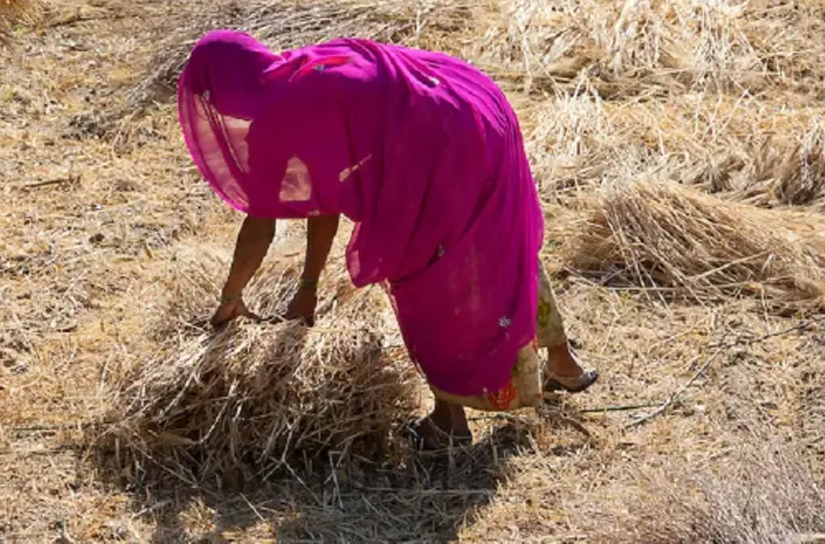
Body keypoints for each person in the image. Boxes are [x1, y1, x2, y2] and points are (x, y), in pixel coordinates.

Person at [179, 31, 597, 445]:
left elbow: (259, 231)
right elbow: (322, 202)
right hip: (476, 106)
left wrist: (228, 301)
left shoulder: (274, 119)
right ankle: (563, 362)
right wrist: (308, 288)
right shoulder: (304, 69)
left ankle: (448, 422)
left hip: (439, 137)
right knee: (499, 240)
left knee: (423, 267)